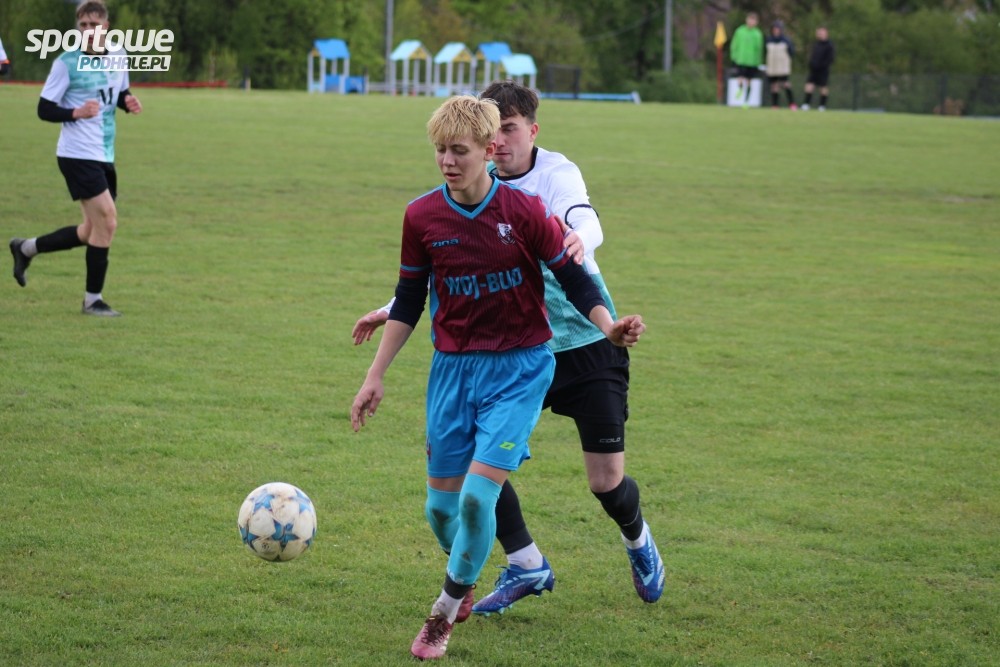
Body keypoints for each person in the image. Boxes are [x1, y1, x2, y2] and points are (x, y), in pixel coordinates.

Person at [352, 80, 665, 618]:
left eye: (510, 130)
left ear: (529, 130)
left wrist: (577, 237)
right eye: (492, 135)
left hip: (586, 340)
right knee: (483, 468)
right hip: (515, 352)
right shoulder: (477, 182)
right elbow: (448, 266)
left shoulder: (555, 175)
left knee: (605, 481)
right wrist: (390, 307)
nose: (499, 144)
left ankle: (637, 539)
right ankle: (524, 562)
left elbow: (585, 221)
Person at [9, 0, 142, 316]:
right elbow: (44, 109)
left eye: (94, 25)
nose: (88, 30)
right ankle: (93, 301)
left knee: (90, 230)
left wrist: (128, 102)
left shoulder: (118, 54)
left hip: (104, 152)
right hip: (76, 154)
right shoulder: (66, 63)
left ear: (106, 26)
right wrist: (75, 112)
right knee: (108, 221)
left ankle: (26, 248)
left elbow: (118, 92)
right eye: (83, 25)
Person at [729, 12, 764, 107]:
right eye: (750, 19)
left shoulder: (757, 34)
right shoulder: (740, 31)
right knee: (740, 77)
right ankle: (740, 89)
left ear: (756, 22)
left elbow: (759, 49)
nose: (751, 22)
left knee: (749, 81)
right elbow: (734, 44)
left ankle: (746, 101)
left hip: (752, 62)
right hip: (740, 59)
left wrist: (758, 61)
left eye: (753, 20)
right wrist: (733, 56)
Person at [801, 26, 835, 111]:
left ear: (826, 33)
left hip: (823, 70)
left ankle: (822, 106)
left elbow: (830, 59)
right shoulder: (816, 44)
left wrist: (822, 65)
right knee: (809, 86)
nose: (820, 34)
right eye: (819, 33)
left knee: (823, 87)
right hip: (813, 70)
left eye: (822, 32)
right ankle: (806, 104)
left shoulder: (829, 45)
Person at [765, 20, 797, 109]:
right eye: (774, 29)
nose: (776, 31)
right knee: (774, 86)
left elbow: (791, 52)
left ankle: (792, 103)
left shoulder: (786, 40)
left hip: (782, 67)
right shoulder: (769, 40)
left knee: (785, 84)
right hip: (772, 67)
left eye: (778, 29)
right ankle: (775, 105)